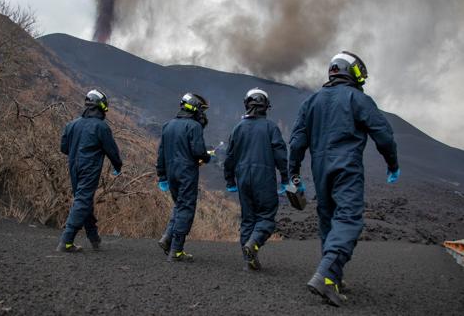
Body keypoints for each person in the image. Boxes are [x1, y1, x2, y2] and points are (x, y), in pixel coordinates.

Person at [289, 51, 400, 306]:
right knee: (349, 218)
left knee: (328, 221)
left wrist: (293, 174)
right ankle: (326, 274)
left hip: (320, 171)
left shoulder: (311, 102)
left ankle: (333, 279)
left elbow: (296, 142)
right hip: (346, 167)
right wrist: (392, 164)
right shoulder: (357, 98)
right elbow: (383, 133)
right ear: (353, 71)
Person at [224, 88, 288, 271]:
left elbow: (229, 157)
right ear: (266, 106)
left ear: (247, 104)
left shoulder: (238, 128)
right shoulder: (270, 128)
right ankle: (254, 243)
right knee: (266, 216)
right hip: (264, 177)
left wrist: (230, 181)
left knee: (248, 219)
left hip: (243, 178)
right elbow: (281, 155)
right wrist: (285, 178)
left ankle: (249, 261)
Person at [57, 89, 122, 252]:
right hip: (89, 167)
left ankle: (94, 238)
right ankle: (66, 241)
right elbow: (112, 151)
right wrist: (117, 166)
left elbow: (64, 148)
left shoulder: (71, 124)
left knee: (83, 199)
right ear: (101, 107)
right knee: (83, 201)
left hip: (73, 166)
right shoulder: (101, 127)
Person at [156, 93, 211, 262]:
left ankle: (167, 238)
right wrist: (206, 157)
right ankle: (176, 251)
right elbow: (198, 151)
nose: (203, 113)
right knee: (186, 208)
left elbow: (161, 153)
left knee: (179, 205)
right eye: (201, 109)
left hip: (171, 172)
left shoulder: (168, 125)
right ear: (195, 108)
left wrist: (162, 175)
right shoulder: (194, 126)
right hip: (186, 173)